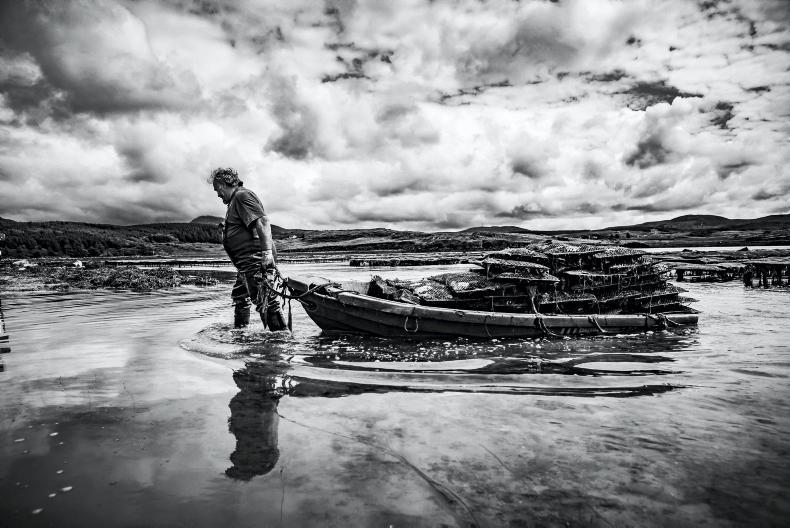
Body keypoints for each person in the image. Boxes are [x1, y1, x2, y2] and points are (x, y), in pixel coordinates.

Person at [208, 167, 287, 330]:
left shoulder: (242, 196)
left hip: (255, 261)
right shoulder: (234, 200)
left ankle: (280, 338)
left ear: (223, 184)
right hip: (245, 264)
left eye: (217, 189)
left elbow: (263, 222)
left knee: (265, 300)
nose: (217, 194)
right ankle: (241, 333)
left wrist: (267, 256)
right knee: (240, 296)